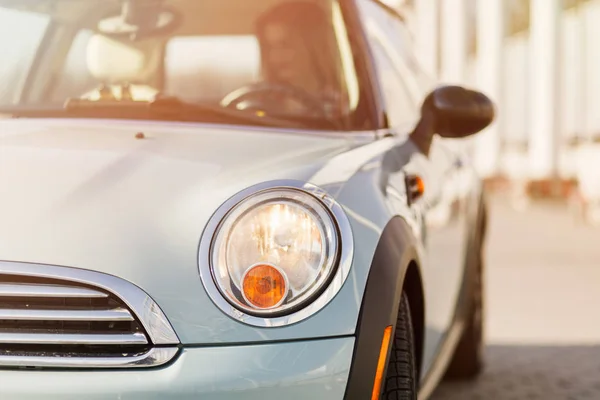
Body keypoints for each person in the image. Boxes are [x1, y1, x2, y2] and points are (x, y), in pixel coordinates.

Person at [254, 1, 346, 117]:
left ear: (314, 46)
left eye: (285, 45)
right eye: (270, 48)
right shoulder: (257, 105)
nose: (275, 58)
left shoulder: (345, 110)